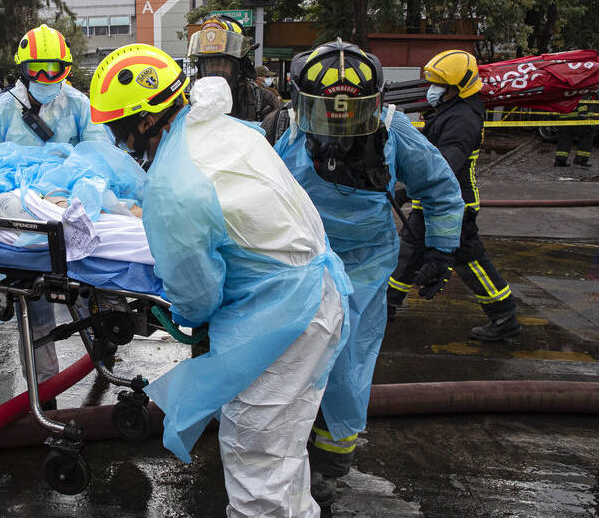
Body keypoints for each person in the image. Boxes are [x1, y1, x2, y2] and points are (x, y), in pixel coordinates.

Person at [90, 43, 350, 517]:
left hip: (282, 322)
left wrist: (176, 307)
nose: (118, 139)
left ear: (145, 120)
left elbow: (196, 296)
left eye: (118, 127)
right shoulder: (224, 128)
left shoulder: (171, 186)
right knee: (285, 456)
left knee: (258, 462)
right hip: (314, 298)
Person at [273, 40, 464, 510]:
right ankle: (284, 447)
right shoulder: (283, 127)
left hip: (364, 263)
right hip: (298, 260)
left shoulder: (395, 130)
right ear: (301, 100)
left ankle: (332, 462)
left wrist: (441, 250)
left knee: (348, 360)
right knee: (286, 361)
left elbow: (441, 188)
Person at [0, 24, 113, 391]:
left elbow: (98, 156)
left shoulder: (78, 105)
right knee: (34, 308)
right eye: (39, 70)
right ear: (24, 71)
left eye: (55, 69)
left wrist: (66, 178)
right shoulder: (6, 109)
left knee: (89, 292)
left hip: (70, 206)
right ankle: (45, 389)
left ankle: (102, 350)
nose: (47, 77)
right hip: (25, 218)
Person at [388, 50, 521, 341]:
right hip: (432, 200)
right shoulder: (451, 108)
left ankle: (504, 315)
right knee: (409, 251)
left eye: (439, 85)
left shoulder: (462, 119)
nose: (433, 90)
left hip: (453, 203)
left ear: (458, 87)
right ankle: (387, 304)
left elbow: (443, 167)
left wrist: (406, 190)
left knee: (469, 259)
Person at [186, 14, 265, 123]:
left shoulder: (261, 100)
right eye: (210, 63)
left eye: (223, 63)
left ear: (240, 67)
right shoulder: (191, 104)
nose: (216, 70)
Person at [554, 100, 595, 167]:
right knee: (588, 134)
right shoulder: (584, 90)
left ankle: (560, 160)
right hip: (577, 117)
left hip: (563, 117)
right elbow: (582, 100)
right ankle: (581, 159)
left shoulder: (566, 90)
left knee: (565, 138)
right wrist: (584, 113)